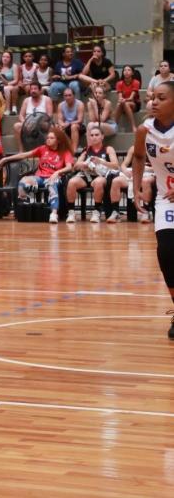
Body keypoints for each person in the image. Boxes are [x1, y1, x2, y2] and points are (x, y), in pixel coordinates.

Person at [130, 80, 174, 338]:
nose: (154, 102)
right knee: (167, 254)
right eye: (153, 97)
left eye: (162, 98)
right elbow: (137, 157)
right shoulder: (144, 130)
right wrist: (136, 187)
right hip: (166, 201)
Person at [0, 126, 74, 224]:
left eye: (51, 138)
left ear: (58, 141)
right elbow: (24, 155)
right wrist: (6, 159)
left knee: (52, 184)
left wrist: (57, 172)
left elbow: (69, 167)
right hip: (39, 178)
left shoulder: (65, 152)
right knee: (23, 182)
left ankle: (54, 214)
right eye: (48, 138)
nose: (48, 140)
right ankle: (25, 209)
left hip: (53, 178)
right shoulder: (42, 149)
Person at [64, 126, 118, 223]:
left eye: (96, 135)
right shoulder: (86, 150)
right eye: (91, 135)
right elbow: (75, 166)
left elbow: (115, 166)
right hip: (87, 175)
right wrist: (84, 164)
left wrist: (101, 162)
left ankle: (96, 212)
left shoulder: (108, 149)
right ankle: (71, 212)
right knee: (72, 182)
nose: (94, 137)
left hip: (101, 176)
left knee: (98, 182)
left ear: (102, 136)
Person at [109, 144, 154, 224]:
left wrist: (146, 169)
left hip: (150, 173)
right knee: (116, 181)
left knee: (145, 181)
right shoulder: (133, 148)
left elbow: (160, 166)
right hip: (135, 174)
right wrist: (125, 171)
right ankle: (115, 212)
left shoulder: (155, 146)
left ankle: (146, 212)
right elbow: (123, 164)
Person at [14, 82, 53, 152]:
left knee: (51, 127)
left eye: (35, 89)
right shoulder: (26, 100)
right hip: (28, 124)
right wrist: (25, 123)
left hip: (42, 123)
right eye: (31, 89)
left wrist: (38, 123)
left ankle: (48, 150)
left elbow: (49, 115)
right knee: (17, 126)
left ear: (40, 90)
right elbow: (21, 115)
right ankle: (21, 150)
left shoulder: (47, 99)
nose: (33, 91)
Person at [113, 64, 142, 132]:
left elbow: (131, 98)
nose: (126, 71)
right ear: (123, 72)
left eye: (129, 70)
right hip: (123, 103)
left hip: (134, 104)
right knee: (120, 104)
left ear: (132, 73)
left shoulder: (136, 82)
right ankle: (114, 126)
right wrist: (122, 100)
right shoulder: (119, 83)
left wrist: (123, 100)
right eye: (125, 70)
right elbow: (120, 97)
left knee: (125, 103)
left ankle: (133, 126)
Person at [0, 51, 21, 115]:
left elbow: (16, 80)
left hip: (12, 85)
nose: (5, 58)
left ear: (10, 58)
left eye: (7, 57)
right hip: (1, 85)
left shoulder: (14, 66)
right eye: (3, 57)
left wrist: (7, 84)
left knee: (6, 88)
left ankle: (8, 109)